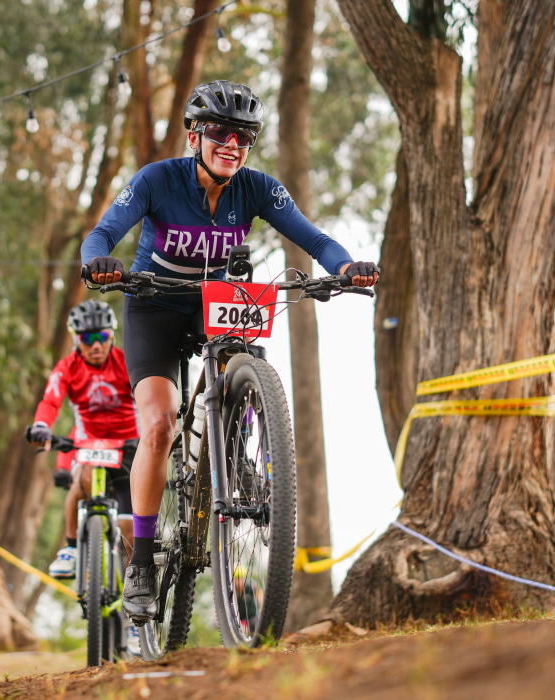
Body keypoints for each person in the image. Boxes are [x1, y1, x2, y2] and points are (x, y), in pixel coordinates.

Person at [80, 80, 380, 622]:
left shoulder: (258, 189)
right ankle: (144, 562)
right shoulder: (158, 180)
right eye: (219, 131)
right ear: (195, 134)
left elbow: (314, 240)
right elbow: (102, 234)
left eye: (244, 136)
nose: (231, 144)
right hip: (154, 303)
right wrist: (101, 261)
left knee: (243, 353)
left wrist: (344, 268)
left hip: (213, 302)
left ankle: (238, 434)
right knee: (159, 423)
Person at [25, 299, 142, 653]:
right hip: (89, 445)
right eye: (87, 337)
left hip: (128, 446)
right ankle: (73, 548)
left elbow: (147, 392)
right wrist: (42, 426)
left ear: (111, 336)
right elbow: (51, 399)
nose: (95, 344)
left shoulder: (125, 361)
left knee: (128, 528)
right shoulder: (67, 367)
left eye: (102, 336)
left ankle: (137, 615)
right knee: (80, 482)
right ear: (77, 339)